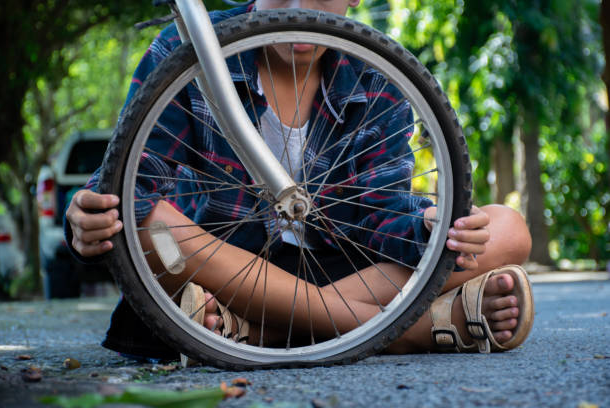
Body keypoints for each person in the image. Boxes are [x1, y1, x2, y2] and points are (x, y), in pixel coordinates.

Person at [65, 0, 533, 360]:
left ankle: (256, 332)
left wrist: (430, 224)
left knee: (506, 229)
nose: (300, 3)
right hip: (219, 270)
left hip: (340, 266)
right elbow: (128, 186)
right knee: (149, 227)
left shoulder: (380, 75)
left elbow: (382, 213)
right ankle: (416, 330)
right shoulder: (187, 49)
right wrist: (88, 218)